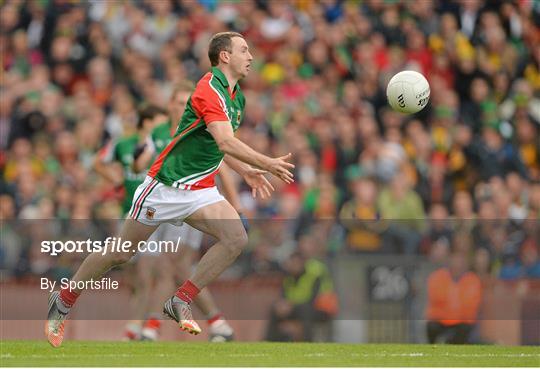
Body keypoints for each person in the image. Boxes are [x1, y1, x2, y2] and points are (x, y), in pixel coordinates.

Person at [46, 32, 295, 347]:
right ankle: (64, 298)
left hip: (199, 190)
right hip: (165, 188)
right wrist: (268, 162)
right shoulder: (209, 88)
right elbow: (224, 140)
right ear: (225, 56)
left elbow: (219, 150)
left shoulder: (237, 97)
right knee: (121, 253)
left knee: (235, 238)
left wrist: (246, 170)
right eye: (244, 50)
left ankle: (180, 300)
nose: (251, 56)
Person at [134, 82, 243, 342]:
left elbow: (223, 165)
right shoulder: (159, 131)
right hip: (163, 202)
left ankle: (152, 325)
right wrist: (140, 156)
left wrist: (236, 204)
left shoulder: (197, 127)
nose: (181, 105)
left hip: (193, 202)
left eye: (186, 101)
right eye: (177, 100)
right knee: (177, 267)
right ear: (170, 104)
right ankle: (218, 324)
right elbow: (140, 161)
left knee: (168, 264)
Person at [94, 104, 168, 341]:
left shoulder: (163, 145)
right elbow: (98, 162)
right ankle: (140, 317)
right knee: (131, 271)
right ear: (146, 122)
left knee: (147, 270)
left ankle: (139, 325)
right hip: (127, 213)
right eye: (158, 121)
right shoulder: (123, 144)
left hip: (152, 214)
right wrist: (116, 180)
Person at [265, 251, 338, 342]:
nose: (294, 265)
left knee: (304, 310)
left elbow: (313, 300)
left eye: (296, 263)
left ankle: (307, 342)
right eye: (292, 263)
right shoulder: (288, 278)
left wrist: (291, 306)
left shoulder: (313, 275)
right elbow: (283, 296)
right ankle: (271, 341)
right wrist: (282, 305)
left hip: (320, 309)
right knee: (276, 309)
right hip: (297, 308)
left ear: (303, 263)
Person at [426, 252, 482, 344]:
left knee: (465, 328)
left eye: (460, 265)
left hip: (461, 322)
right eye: (455, 264)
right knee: (432, 326)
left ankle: (450, 344)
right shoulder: (438, 277)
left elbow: (471, 304)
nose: (457, 268)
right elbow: (436, 298)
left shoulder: (472, 280)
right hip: (441, 320)